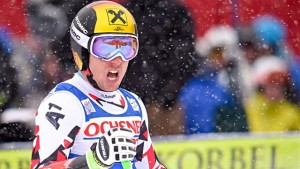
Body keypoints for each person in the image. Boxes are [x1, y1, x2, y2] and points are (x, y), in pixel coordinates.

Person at [30, 1, 165, 169]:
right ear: (82, 52)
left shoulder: (133, 103)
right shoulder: (65, 102)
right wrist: (93, 160)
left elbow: (149, 166)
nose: (117, 60)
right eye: (105, 48)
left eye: (126, 47)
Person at [178, 25, 248, 134]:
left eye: (223, 54)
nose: (219, 59)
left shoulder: (237, 79)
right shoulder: (193, 83)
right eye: (216, 53)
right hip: (196, 140)